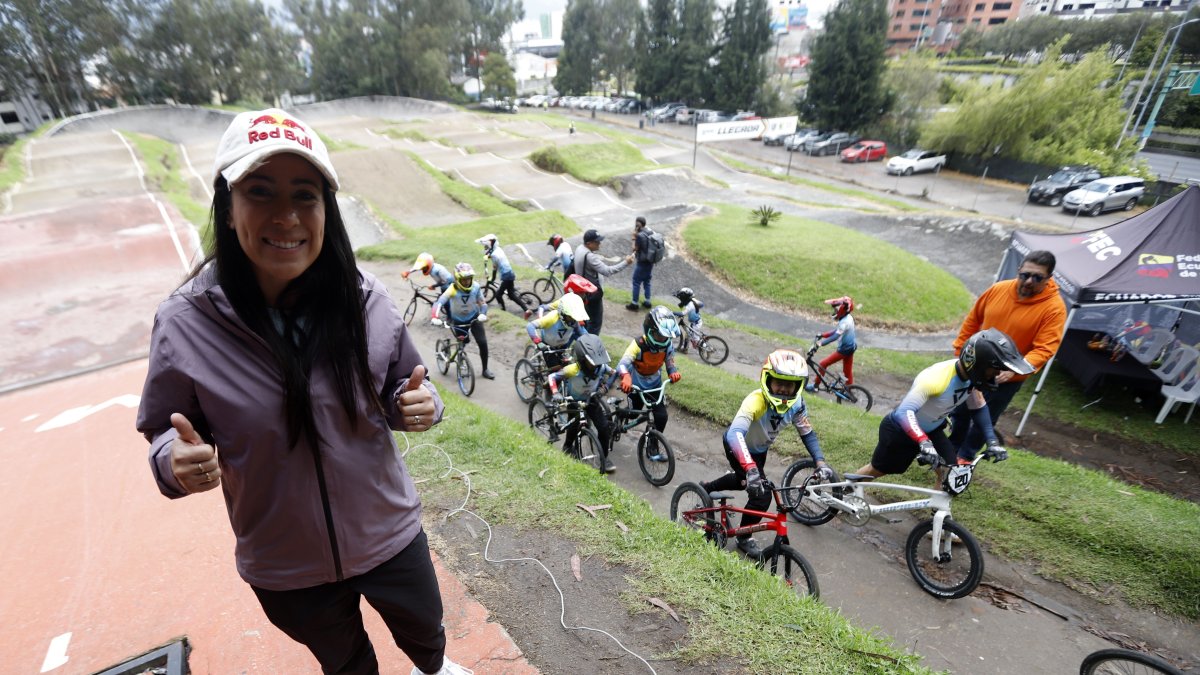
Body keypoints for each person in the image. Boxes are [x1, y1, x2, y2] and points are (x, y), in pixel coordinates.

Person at [135, 108, 471, 675]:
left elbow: (404, 385)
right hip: (284, 563)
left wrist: (420, 405)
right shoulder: (184, 321)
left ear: (326, 209)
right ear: (227, 203)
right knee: (345, 664)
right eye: (261, 192)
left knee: (427, 638)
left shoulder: (366, 300)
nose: (286, 216)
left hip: (388, 534)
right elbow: (165, 430)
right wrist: (175, 461)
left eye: (305, 195)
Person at [698, 350, 829, 559]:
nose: (785, 389)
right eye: (779, 382)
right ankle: (743, 537)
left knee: (745, 481)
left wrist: (820, 462)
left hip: (759, 450)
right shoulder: (756, 400)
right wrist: (750, 468)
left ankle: (706, 488)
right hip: (738, 447)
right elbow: (734, 434)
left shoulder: (797, 405)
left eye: (791, 385)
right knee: (761, 495)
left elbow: (808, 433)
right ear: (767, 379)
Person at [854, 328, 1032, 480]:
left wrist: (992, 442)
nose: (997, 375)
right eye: (994, 369)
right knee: (877, 471)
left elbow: (979, 408)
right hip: (901, 430)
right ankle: (844, 494)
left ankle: (939, 516)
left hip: (932, 430)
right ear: (978, 364)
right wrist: (923, 442)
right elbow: (903, 412)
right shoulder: (936, 378)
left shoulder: (971, 379)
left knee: (949, 471)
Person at [948, 250, 1067, 454]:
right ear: (1019, 270)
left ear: (1049, 278)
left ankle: (965, 458)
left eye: (1037, 277)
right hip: (973, 368)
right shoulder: (998, 289)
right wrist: (960, 350)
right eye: (1025, 275)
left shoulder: (1054, 309)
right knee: (960, 411)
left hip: (1004, 379)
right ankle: (950, 448)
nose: (1029, 281)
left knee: (984, 419)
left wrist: (1016, 370)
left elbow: (1045, 348)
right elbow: (973, 320)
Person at [616, 306, 682, 461]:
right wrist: (625, 376)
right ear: (650, 330)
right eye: (660, 336)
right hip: (636, 387)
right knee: (633, 413)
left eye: (666, 337)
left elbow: (670, 361)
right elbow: (622, 364)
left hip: (655, 386)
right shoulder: (638, 344)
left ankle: (653, 445)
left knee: (661, 416)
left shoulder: (667, 345)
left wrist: (673, 371)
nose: (663, 340)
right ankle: (619, 416)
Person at [547, 334, 619, 473]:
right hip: (573, 401)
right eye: (592, 363)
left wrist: (606, 386)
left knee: (603, 428)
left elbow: (614, 373)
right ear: (582, 359)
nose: (595, 366)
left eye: (597, 362)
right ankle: (567, 447)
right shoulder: (572, 369)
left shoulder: (602, 367)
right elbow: (552, 377)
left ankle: (604, 458)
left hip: (592, 400)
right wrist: (556, 393)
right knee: (573, 426)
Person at [432, 262, 494, 380]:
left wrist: (483, 314)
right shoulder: (452, 289)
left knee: (482, 342)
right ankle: (459, 361)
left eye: (469, 279)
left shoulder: (475, 287)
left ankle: (485, 369)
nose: (467, 282)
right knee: (463, 343)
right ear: (457, 279)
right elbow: (439, 302)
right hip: (459, 321)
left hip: (475, 319)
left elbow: (482, 303)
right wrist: (434, 316)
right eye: (464, 279)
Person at [573, 228, 633, 336]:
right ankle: (590, 346)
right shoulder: (590, 257)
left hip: (581, 292)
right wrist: (626, 262)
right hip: (592, 294)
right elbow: (608, 271)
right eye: (597, 241)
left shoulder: (579, 249)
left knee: (585, 320)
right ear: (589, 243)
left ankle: (582, 341)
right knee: (595, 324)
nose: (599, 243)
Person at [526, 292, 589, 371]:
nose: (573, 320)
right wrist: (538, 341)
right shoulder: (552, 318)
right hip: (548, 346)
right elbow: (530, 326)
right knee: (554, 371)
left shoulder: (574, 322)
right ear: (563, 313)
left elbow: (583, 334)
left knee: (566, 366)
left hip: (562, 345)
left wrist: (590, 342)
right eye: (571, 317)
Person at [809, 296, 858, 388]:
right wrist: (823, 335)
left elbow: (835, 336)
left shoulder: (844, 322)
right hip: (851, 347)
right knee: (847, 370)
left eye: (836, 310)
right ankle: (849, 389)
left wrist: (821, 343)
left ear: (842, 310)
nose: (834, 311)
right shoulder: (848, 318)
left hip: (844, 349)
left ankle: (815, 386)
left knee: (823, 364)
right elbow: (837, 331)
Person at [476, 233, 529, 315]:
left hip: (506, 276)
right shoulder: (498, 249)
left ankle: (503, 311)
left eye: (486, 247)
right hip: (510, 273)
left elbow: (494, 268)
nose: (485, 249)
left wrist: (492, 279)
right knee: (511, 294)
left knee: (498, 295)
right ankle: (526, 309)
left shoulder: (494, 255)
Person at [626, 216, 657, 311]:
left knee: (636, 282)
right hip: (650, 261)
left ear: (637, 225)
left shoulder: (639, 236)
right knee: (647, 282)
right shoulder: (650, 231)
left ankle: (634, 303)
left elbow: (635, 248)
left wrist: (633, 238)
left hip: (642, 262)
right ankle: (647, 301)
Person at [672, 287, 704, 353]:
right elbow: (701, 304)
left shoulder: (690, 305)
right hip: (694, 322)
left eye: (681, 298)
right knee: (688, 334)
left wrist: (672, 312)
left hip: (696, 323)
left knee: (695, 339)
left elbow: (682, 313)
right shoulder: (693, 300)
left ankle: (704, 347)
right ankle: (685, 349)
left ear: (685, 298)